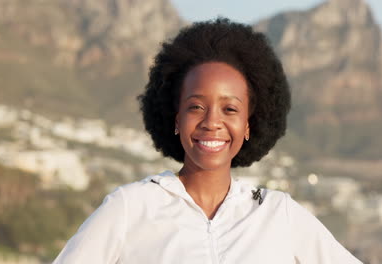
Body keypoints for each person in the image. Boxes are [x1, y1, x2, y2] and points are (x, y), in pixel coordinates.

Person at [53, 18, 362, 264]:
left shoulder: (277, 213)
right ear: (176, 118)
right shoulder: (130, 208)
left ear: (248, 125)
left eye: (230, 109)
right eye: (196, 106)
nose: (212, 122)